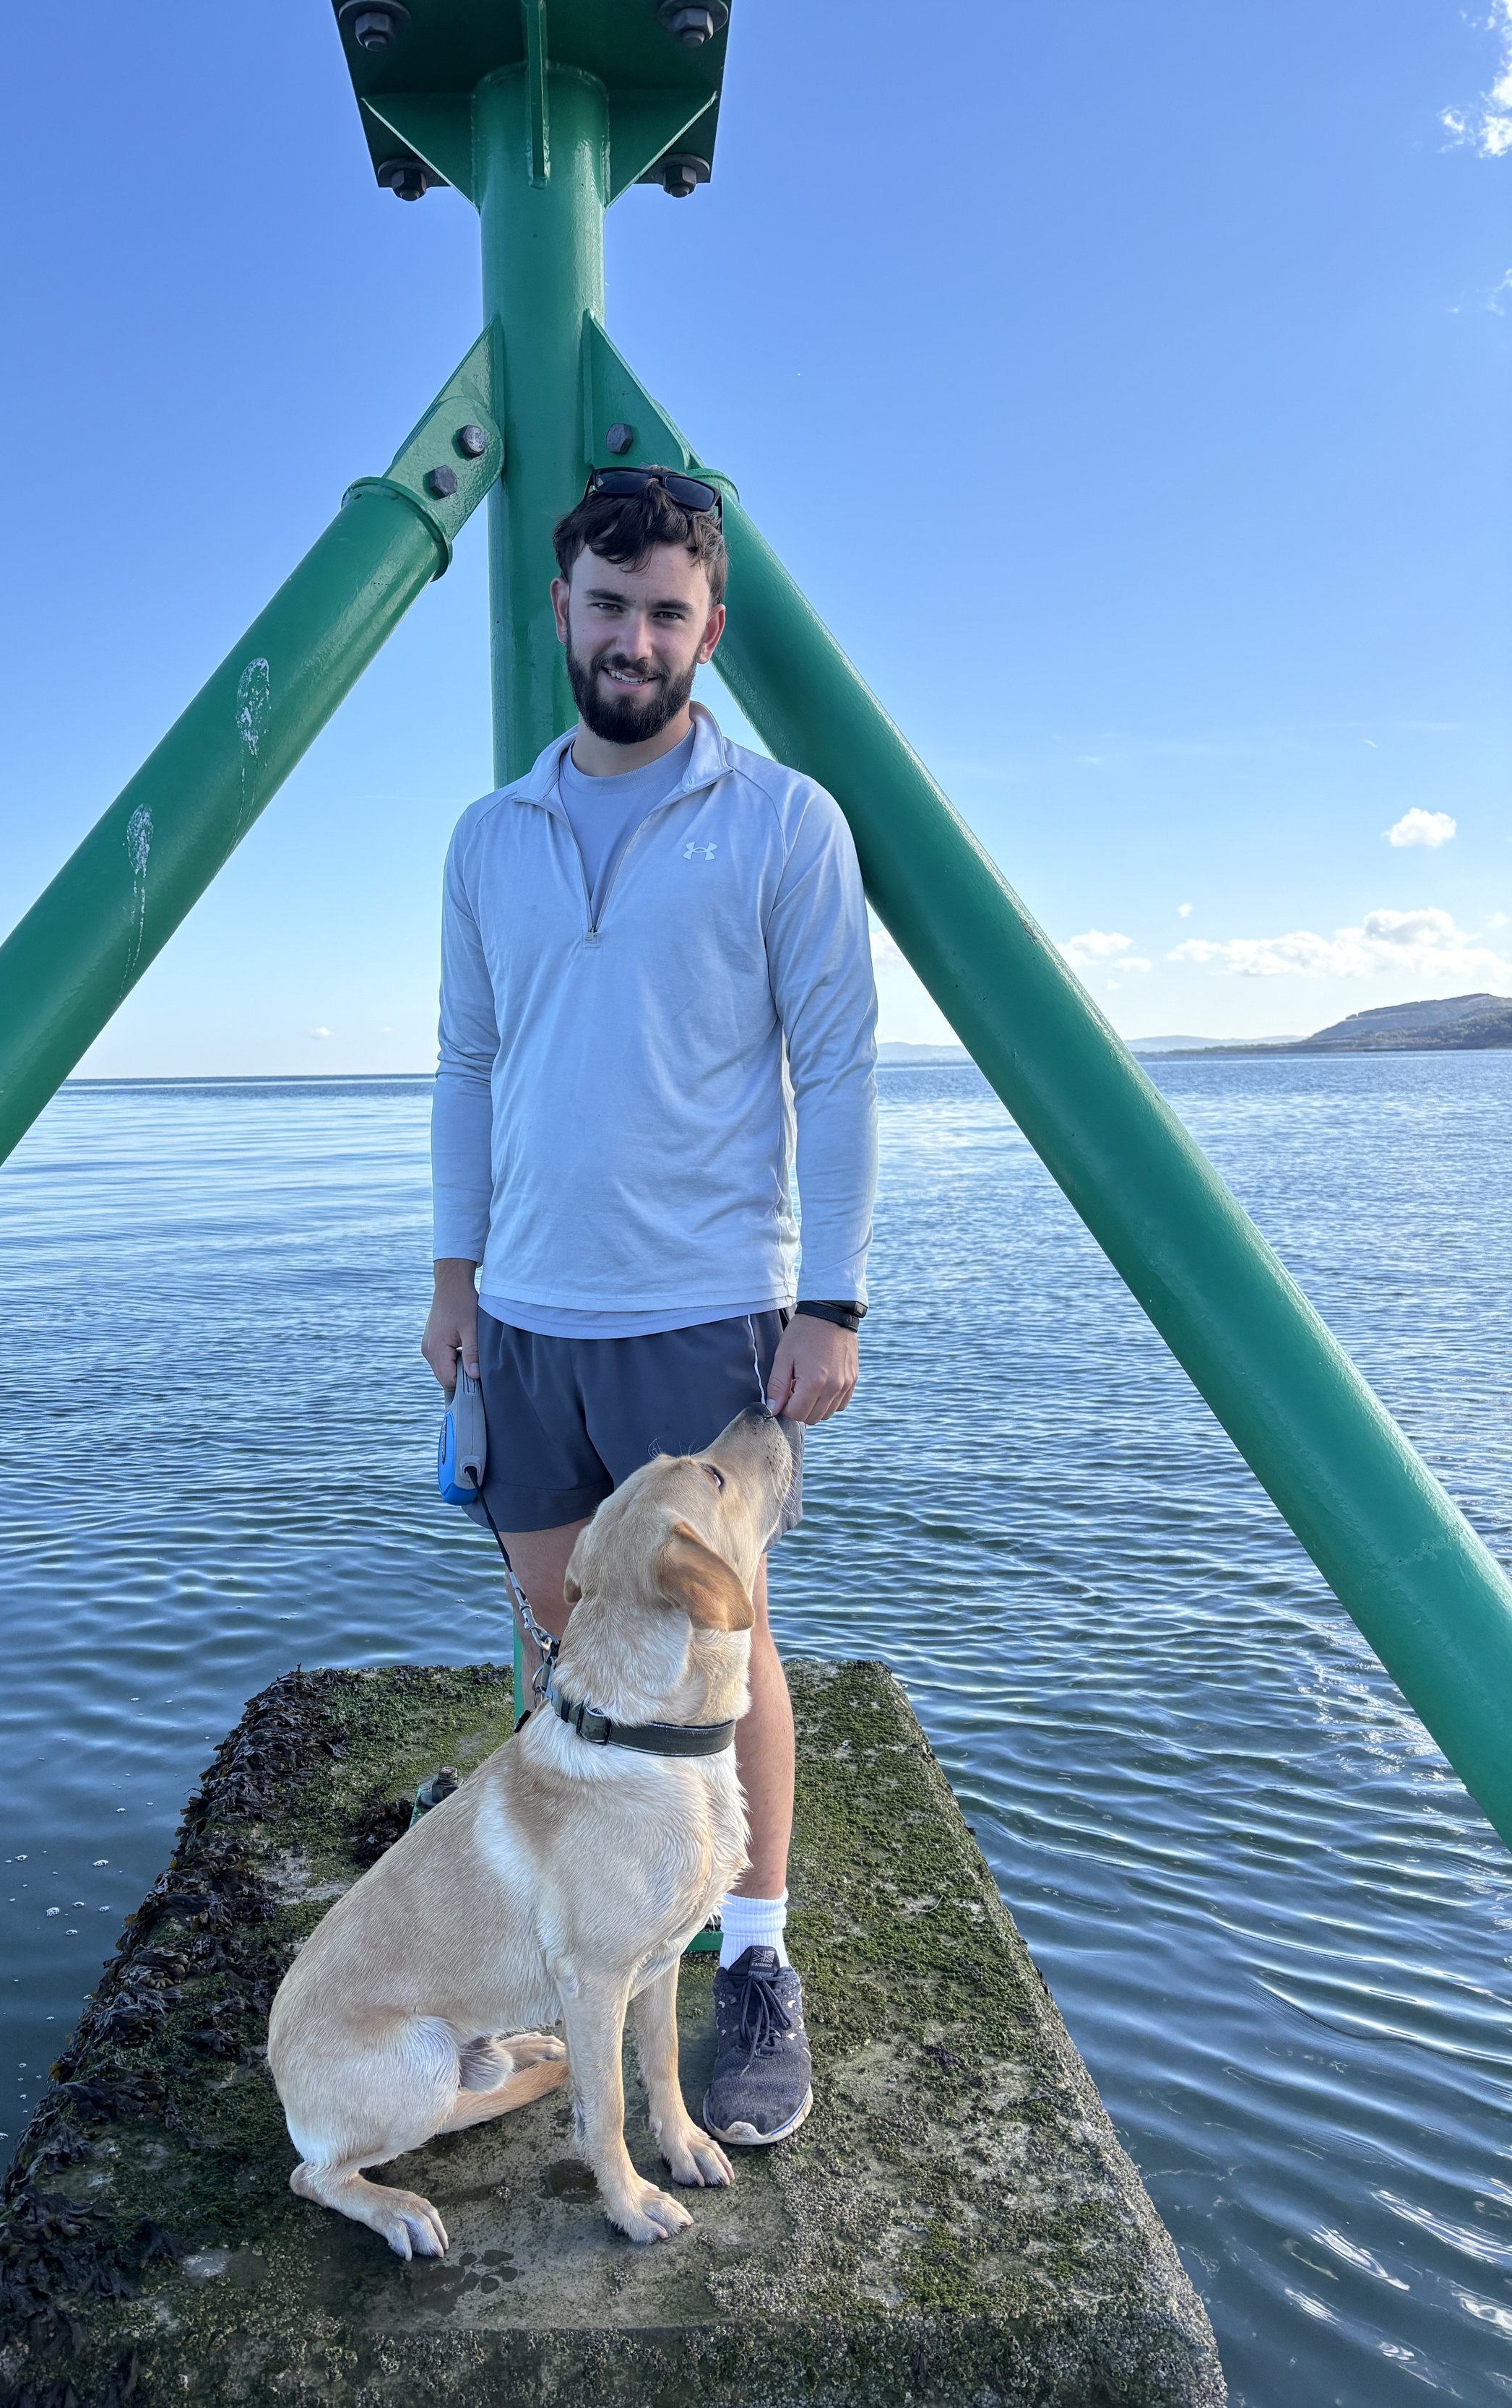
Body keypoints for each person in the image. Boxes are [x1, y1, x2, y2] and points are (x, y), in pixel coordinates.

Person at [421, 465, 878, 2146]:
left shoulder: (781, 823)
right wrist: (454, 1281)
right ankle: (582, 1901)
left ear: (709, 625)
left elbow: (833, 1069)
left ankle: (749, 1954)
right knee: (566, 1630)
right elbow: (469, 1062)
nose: (632, 637)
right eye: (605, 606)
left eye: (665, 610)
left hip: (701, 1309)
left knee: (716, 1645)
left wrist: (825, 1301)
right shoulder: (490, 834)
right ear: (561, 609)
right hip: (526, 1312)